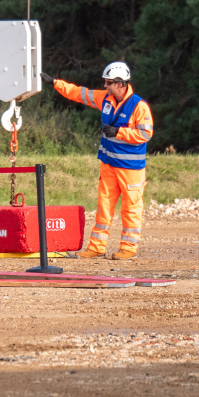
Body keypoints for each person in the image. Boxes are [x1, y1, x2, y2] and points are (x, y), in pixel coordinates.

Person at [41, 62, 153, 260]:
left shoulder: (139, 106)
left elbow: (145, 134)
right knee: (104, 206)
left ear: (120, 84)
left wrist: (119, 132)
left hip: (131, 168)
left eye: (108, 82)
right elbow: (80, 93)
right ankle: (97, 247)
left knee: (131, 208)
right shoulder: (106, 98)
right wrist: (55, 83)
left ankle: (128, 248)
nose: (105, 86)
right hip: (109, 163)